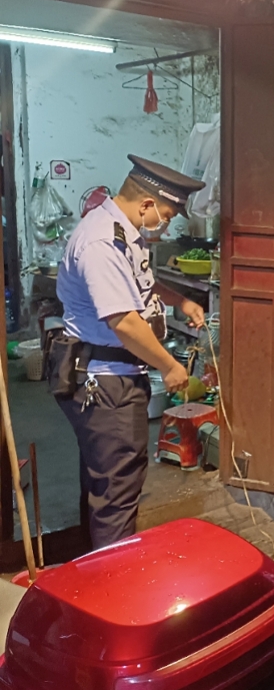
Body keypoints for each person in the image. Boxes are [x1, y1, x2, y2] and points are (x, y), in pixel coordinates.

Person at [54, 155, 206, 549]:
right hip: (106, 384)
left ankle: (93, 567)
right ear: (146, 204)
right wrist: (169, 366)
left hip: (114, 377)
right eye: (166, 216)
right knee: (117, 494)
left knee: (105, 481)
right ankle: (111, 576)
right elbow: (123, 321)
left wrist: (180, 301)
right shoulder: (102, 243)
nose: (166, 224)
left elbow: (141, 285)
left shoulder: (123, 232)